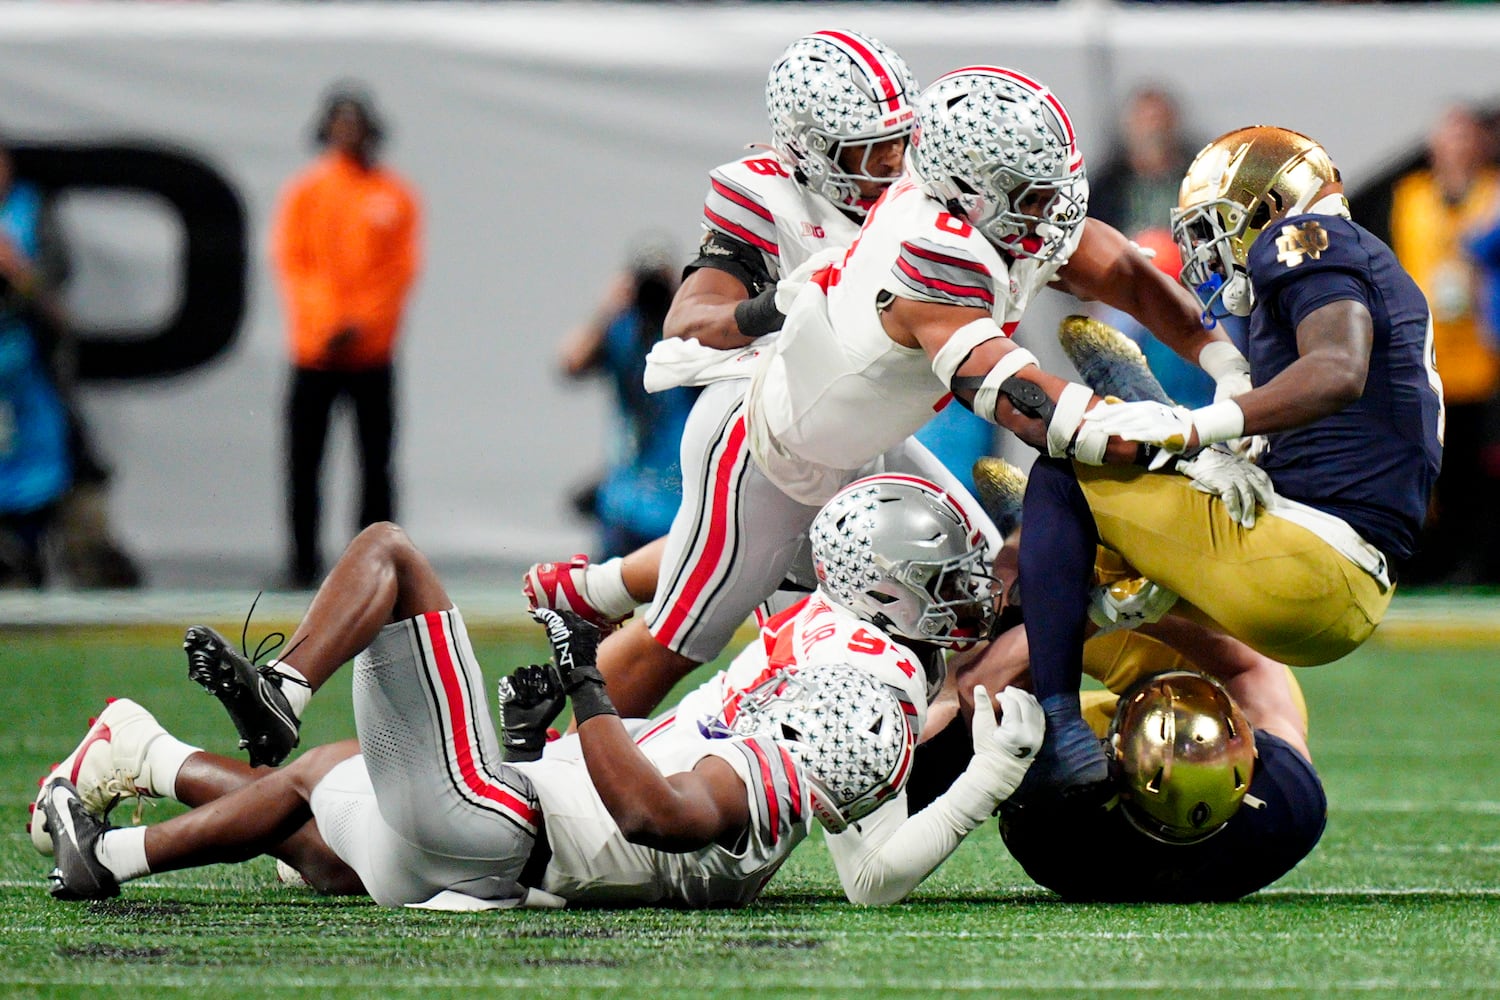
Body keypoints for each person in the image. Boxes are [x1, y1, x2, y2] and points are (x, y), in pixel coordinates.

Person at [585, 64, 1261, 731]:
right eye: (1032, 195)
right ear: (970, 191)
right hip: (767, 452)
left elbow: (1126, 273)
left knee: (971, 598)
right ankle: (556, 764)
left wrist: (1229, 367)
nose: (1052, 211)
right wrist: (1192, 435)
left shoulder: (989, 211)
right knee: (681, 640)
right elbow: (1019, 396)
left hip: (864, 445)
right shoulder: (932, 250)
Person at [36, 522, 1043, 909]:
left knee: (391, 556)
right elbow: (711, 553)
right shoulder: (849, 656)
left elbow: (659, 814)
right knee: (317, 813)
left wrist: (583, 670)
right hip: (515, 822)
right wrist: (556, 717)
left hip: (515, 832)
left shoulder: (859, 700)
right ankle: (131, 805)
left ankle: (277, 693)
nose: (972, 589)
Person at [1017, 125, 1443, 801]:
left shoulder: (1303, 238)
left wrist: (1191, 430)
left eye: (1219, 223)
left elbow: (1337, 372)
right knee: (1077, 568)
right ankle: (1137, 630)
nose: (1210, 245)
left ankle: (1058, 725)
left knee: (1059, 478)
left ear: (1272, 205)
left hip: (1304, 559)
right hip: (1343, 585)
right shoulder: (1365, 270)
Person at [526, 28, 927, 636]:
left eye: (900, 141)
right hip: (777, 433)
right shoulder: (771, 198)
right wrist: (772, 308)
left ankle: (598, 588)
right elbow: (687, 320)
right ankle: (570, 711)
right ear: (815, 150)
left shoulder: (925, 197)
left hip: (864, 427)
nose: (895, 163)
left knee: (952, 570)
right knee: (697, 632)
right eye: (872, 150)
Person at [272, 83, 421, 588]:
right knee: (304, 463)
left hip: (370, 356)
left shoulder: (395, 195)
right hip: (314, 354)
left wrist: (361, 326)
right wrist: (326, 326)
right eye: (340, 123)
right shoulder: (306, 193)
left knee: (375, 466)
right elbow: (295, 267)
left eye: (356, 123)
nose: (348, 133)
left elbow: (397, 273)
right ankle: (301, 561)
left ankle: (373, 566)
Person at [1390, 104, 1500, 585]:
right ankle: (1424, 561)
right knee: (1424, 462)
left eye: (1465, 136)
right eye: (1448, 136)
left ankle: (1476, 561)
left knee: (1476, 464)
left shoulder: (1493, 192)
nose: (1457, 146)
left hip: (1482, 351)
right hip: (1427, 349)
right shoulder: (1412, 195)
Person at [555, 234, 694, 560]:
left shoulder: (686, 330)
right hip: (627, 485)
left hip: (678, 486)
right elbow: (570, 362)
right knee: (607, 589)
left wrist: (688, 303)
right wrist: (607, 309)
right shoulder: (621, 327)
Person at [0, 136, 72, 587]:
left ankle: (30, 554)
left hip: (23, 362)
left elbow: (56, 280)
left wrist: (17, 270)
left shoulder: (31, 210)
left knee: (38, 458)